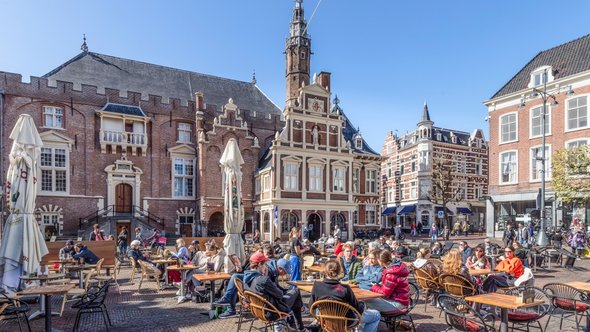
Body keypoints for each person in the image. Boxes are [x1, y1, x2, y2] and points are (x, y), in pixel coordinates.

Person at [311, 259, 381, 332]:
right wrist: (363, 304)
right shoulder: (345, 288)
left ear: (325, 271)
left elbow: (312, 307)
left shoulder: (316, 286)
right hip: (347, 321)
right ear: (339, 272)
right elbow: (357, 309)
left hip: (326, 320)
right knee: (376, 315)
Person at [245, 251, 306, 332]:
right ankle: (300, 327)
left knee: (294, 295)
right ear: (259, 264)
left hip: (258, 310)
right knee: (296, 291)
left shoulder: (246, 279)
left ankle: (294, 326)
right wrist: (265, 277)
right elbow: (280, 295)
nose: (266, 266)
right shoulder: (263, 279)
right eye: (264, 264)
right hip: (272, 312)